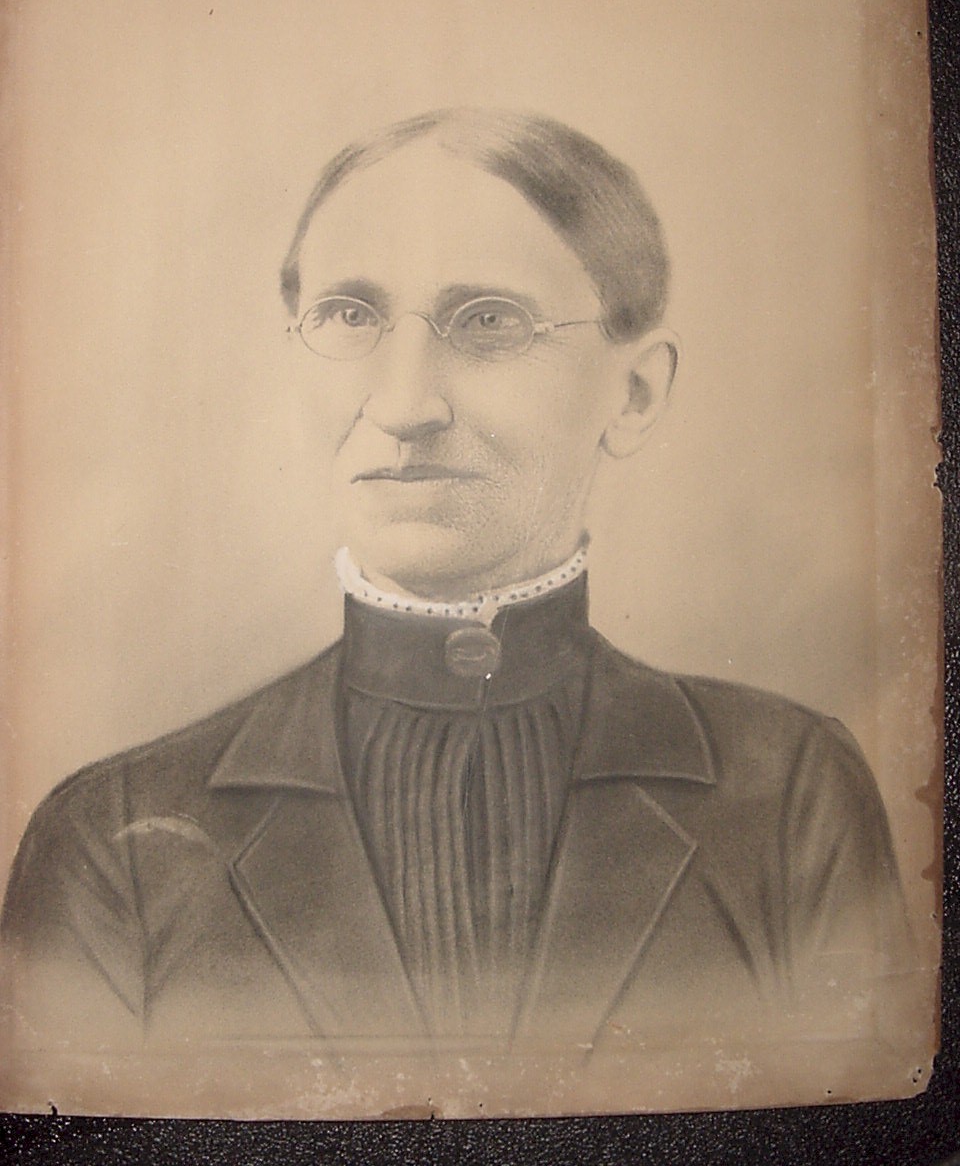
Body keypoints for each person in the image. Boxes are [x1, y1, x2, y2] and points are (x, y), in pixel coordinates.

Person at [1, 109, 910, 1055]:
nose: (404, 405)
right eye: (349, 316)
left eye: (490, 322)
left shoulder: (789, 793)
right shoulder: (114, 840)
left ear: (634, 393)